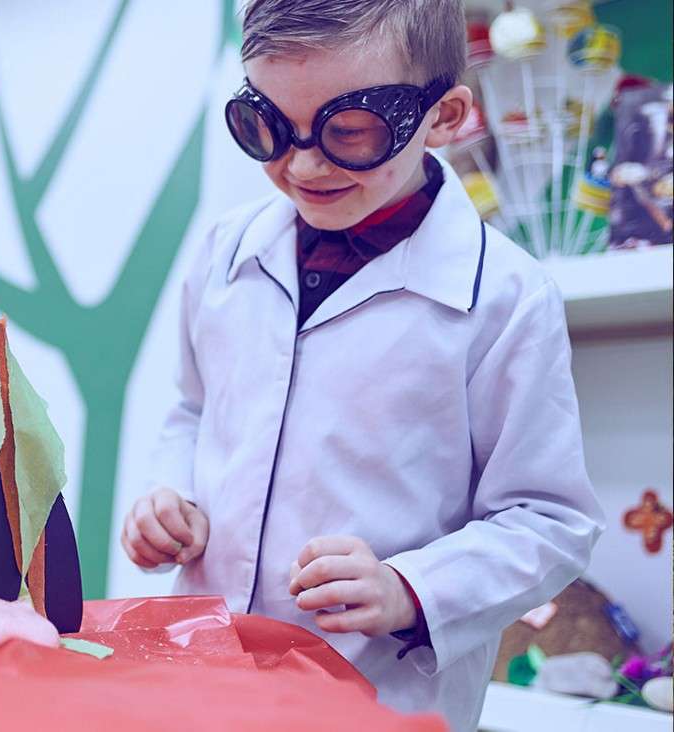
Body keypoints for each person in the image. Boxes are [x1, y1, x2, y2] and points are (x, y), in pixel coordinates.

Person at [121, 1, 604, 728]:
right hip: (201, 678)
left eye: (349, 132)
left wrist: (411, 588)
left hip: (376, 697)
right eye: (268, 127)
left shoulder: (505, 298)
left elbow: (549, 520)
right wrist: (170, 493)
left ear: (443, 117)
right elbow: (195, 411)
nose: (303, 164)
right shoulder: (226, 250)